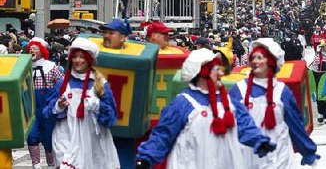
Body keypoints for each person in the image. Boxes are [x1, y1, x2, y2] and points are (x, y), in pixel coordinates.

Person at [135, 48, 276, 168]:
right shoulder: (183, 104)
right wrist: (147, 158)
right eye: (216, 69)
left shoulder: (230, 102)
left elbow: (245, 125)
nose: (221, 73)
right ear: (203, 73)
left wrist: (258, 140)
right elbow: (163, 134)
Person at [229, 38, 319, 168]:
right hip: (249, 157)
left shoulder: (282, 91)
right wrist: (256, 140)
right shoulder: (239, 90)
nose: (256, 61)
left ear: (271, 62)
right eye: (254, 57)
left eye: (261, 58)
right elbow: (238, 122)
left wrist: (308, 151)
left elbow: (295, 125)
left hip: (281, 158)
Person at [45, 37, 119, 168]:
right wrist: (59, 106)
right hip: (66, 137)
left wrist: (98, 106)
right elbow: (47, 113)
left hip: (93, 140)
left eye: (81, 57)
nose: (78, 61)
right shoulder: (62, 84)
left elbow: (111, 118)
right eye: (75, 57)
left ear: (89, 60)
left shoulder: (100, 84)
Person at [26, 37, 63, 169]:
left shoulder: (51, 66)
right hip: (31, 106)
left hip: (48, 105)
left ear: (41, 51)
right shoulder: (25, 67)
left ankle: (51, 164)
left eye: (35, 48)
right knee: (31, 135)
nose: (31, 49)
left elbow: (61, 83)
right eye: (30, 47)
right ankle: (35, 163)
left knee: (49, 137)